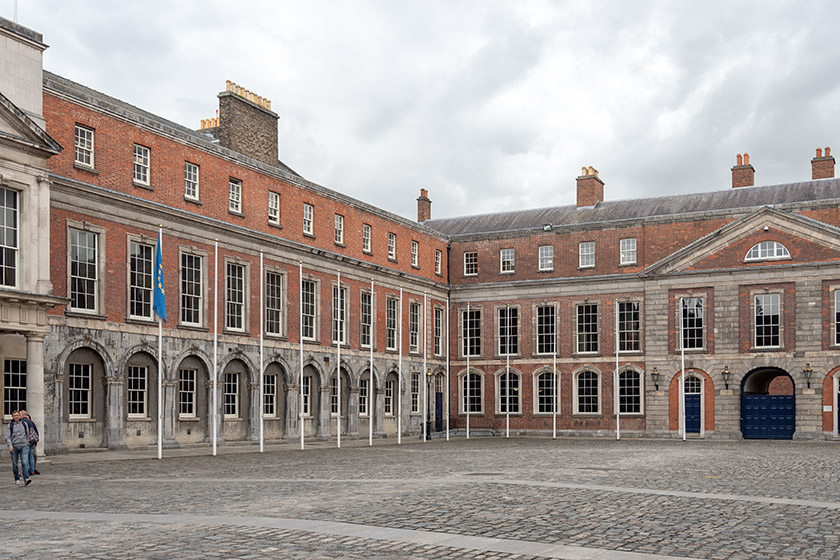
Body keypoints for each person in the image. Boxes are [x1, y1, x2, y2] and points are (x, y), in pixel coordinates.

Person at [4, 411, 31, 486]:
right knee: (15, 464)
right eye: (15, 416)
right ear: (12, 417)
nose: (16, 417)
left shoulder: (24, 424)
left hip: (24, 445)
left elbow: (27, 434)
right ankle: (17, 478)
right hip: (14, 446)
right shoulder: (10, 425)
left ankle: (26, 478)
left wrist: (27, 443)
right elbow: (8, 437)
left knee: (25, 463)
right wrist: (10, 445)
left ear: (19, 416)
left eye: (17, 415)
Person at [19, 410, 39, 476]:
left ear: (22, 415)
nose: (19, 416)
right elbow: (36, 431)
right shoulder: (31, 421)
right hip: (33, 441)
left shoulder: (22, 422)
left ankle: (25, 472)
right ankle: (32, 471)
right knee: (31, 456)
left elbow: (22, 433)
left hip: (26, 441)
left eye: (19, 415)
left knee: (25, 457)